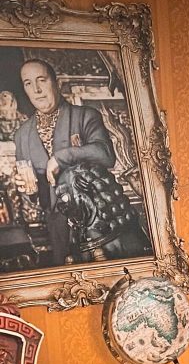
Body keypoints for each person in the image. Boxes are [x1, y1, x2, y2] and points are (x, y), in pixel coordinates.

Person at [14, 59, 117, 265]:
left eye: (41, 80)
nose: (36, 89)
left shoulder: (85, 116)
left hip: (99, 225)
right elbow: (36, 194)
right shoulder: (22, 134)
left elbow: (106, 155)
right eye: (28, 83)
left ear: (56, 83)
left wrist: (60, 158)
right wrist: (29, 190)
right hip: (58, 231)